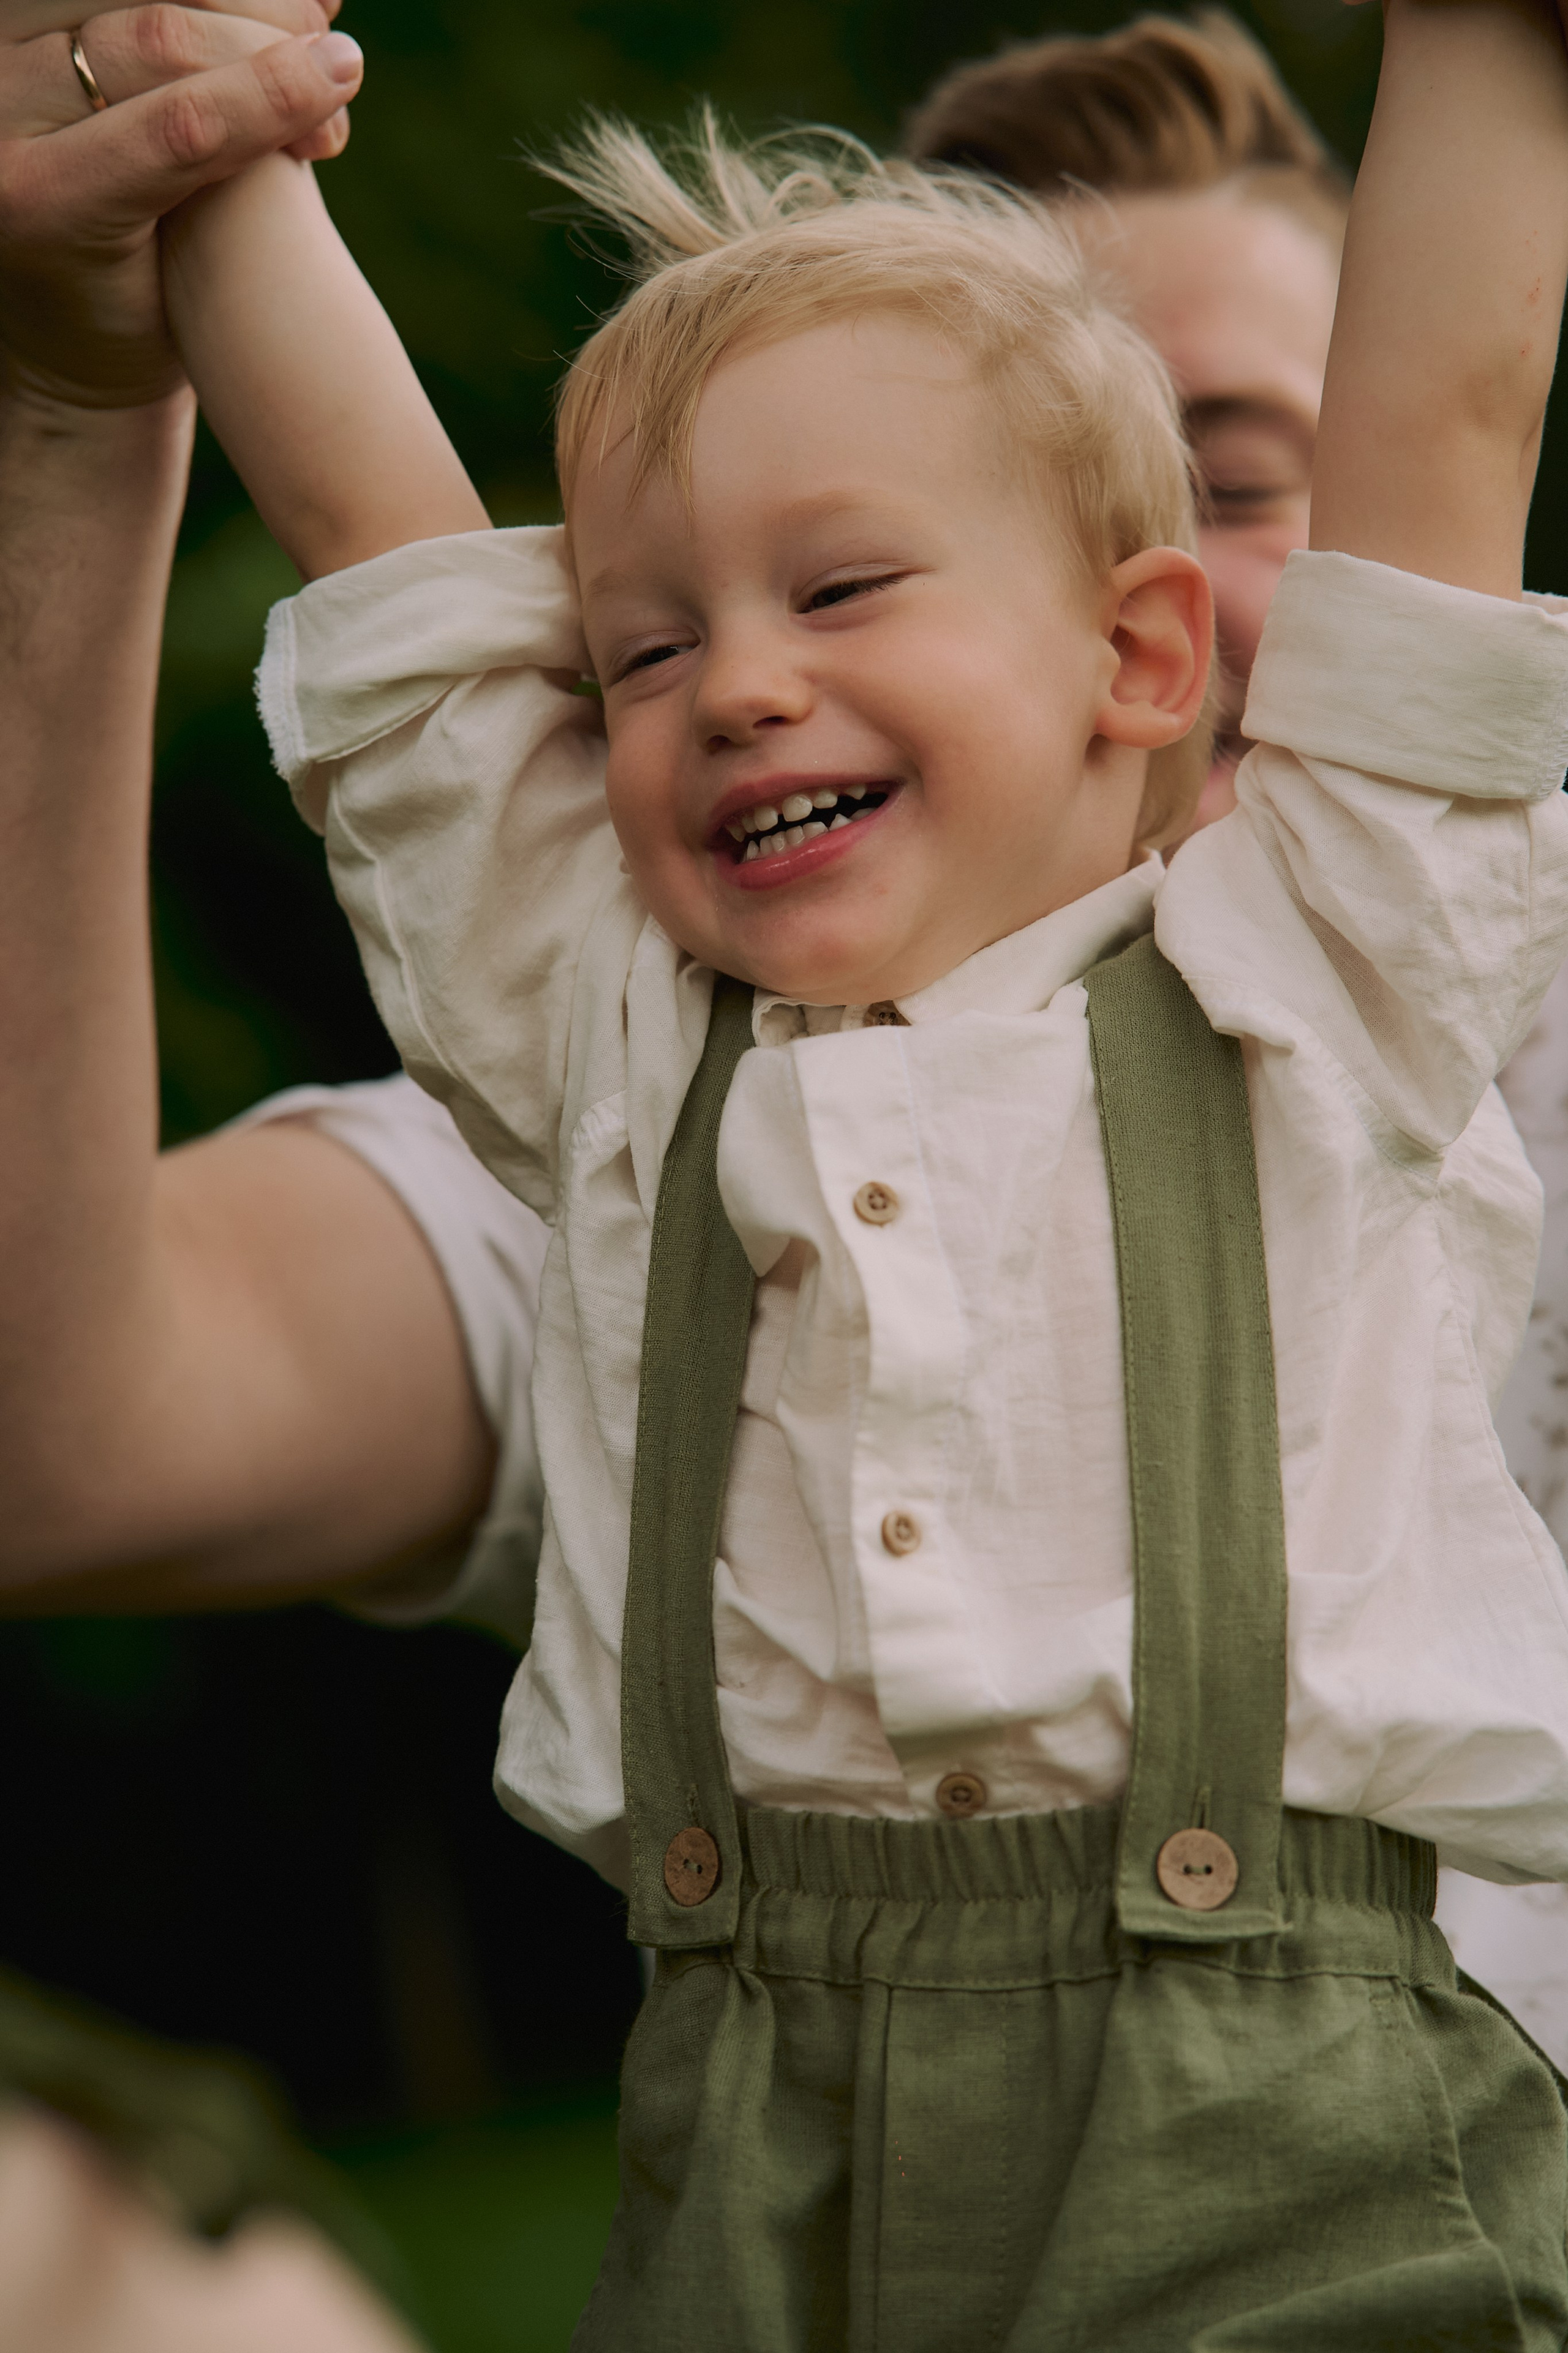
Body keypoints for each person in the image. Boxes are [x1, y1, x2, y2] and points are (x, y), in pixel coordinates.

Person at [152, 0, 1568, 2329]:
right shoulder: (613, 1048)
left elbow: (1447, 433)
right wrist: (195, 114)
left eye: (837, 591)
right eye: (642, 648)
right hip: (756, 2120)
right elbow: (387, 573)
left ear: (1142, 652)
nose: (734, 685)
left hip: (1278, 2121)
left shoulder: (1328, 977)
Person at [907, 6, 1568, 2059]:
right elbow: (96, 1430)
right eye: (1024, 499)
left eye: (1251, 478)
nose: (1156, 594)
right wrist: (81, 398)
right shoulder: (719, 1099)